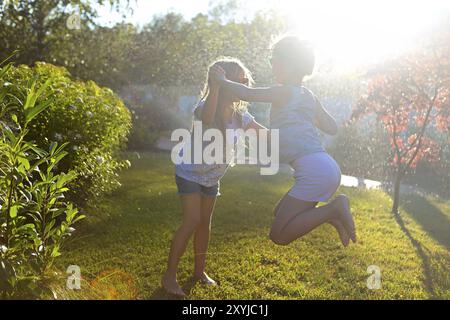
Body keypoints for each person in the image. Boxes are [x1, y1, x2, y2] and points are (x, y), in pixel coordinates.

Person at [209, 35, 356, 249]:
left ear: (289, 63)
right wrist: (306, 115)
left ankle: (333, 210)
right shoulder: (308, 96)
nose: (272, 65)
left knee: (279, 234)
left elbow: (247, 94)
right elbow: (331, 127)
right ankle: (333, 216)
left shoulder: (283, 91)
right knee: (279, 213)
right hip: (325, 166)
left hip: (315, 172)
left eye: (274, 60)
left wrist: (222, 81)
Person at [162, 57, 266, 297]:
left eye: (244, 80)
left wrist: (292, 133)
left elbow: (266, 134)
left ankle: (199, 272)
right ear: (224, 83)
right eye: (238, 80)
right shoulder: (205, 106)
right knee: (192, 220)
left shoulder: (242, 116)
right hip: (190, 171)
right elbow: (208, 119)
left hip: (212, 177)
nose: (243, 84)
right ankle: (169, 277)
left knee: (204, 224)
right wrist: (216, 86)